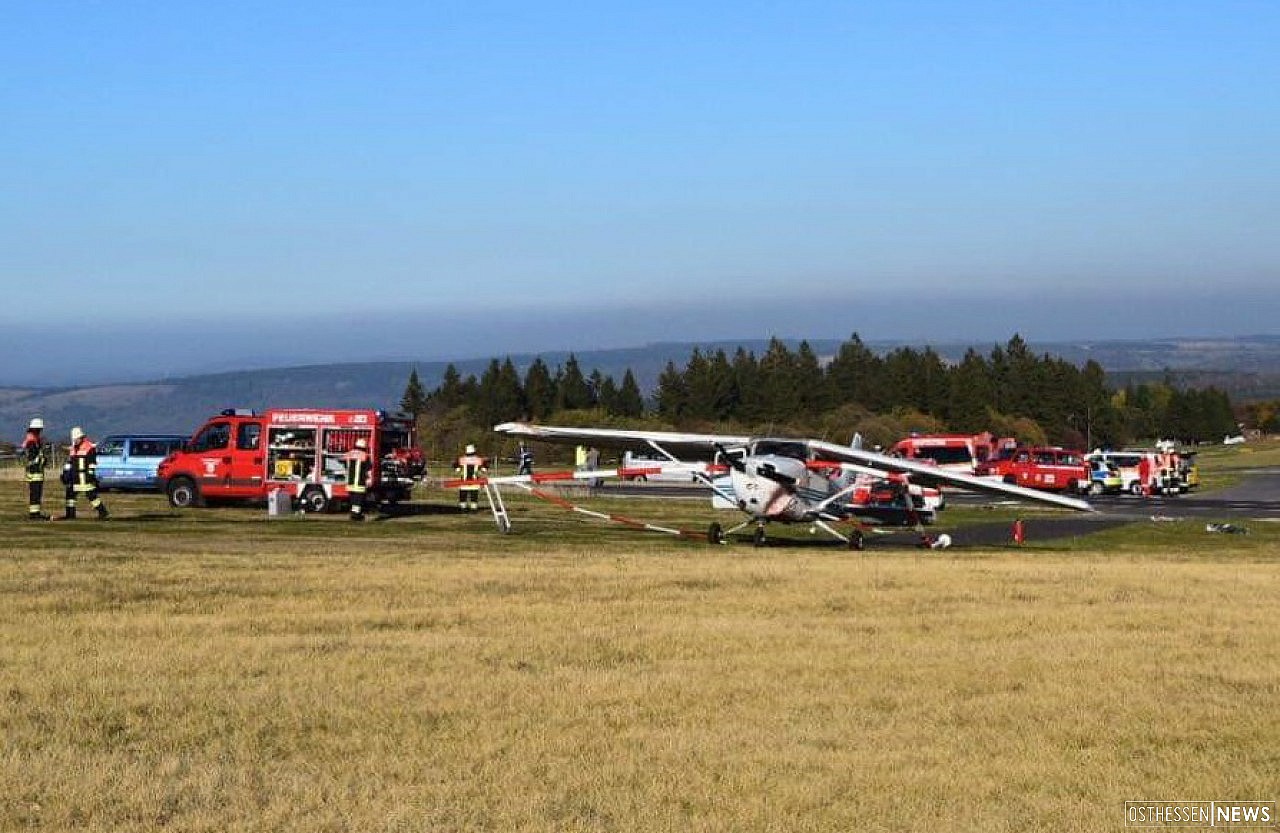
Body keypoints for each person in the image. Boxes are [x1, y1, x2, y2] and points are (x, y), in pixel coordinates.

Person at [63, 426, 109, 520]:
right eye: (74, 439)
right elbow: (70, 462)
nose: (75, 441)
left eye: (77, 439)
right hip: (75, 477)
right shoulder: (73, 448)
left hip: (85, 477)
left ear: (81, 437)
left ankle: (103, 512)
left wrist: (90, 474)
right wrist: (65, 473)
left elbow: (92, 462)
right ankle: (70, 514)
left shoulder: (89, 447)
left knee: (91, 495)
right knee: (70, 495)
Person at [22, 417, 51, 520]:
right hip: (35, 472)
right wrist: (43, 458)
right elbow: (34, 458)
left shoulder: (31, 440)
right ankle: (35, 514)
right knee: (36, 493)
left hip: (33, 471)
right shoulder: (32, 442)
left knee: (35, 493)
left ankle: (35, 513)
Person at [344, 437, 374, 521]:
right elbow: (368, 470)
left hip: (350, 482)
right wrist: (369, 480)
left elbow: (346, 465)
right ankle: (356, 516)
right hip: (359, 483)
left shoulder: (349, 454)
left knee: (353, 500)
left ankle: (354, 514)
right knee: (358, 500)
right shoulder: (365, 456)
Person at [454, 443, 487, 511]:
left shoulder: (461, 459)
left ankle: (463, 508)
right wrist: (480, 471)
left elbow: (457, 469)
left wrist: (460, 470)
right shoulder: (479, 459)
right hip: (475, 481)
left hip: (464, 481)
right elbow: (484, 469)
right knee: (474, 496)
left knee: (463, 496)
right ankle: (473, 508)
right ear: (474, 451)